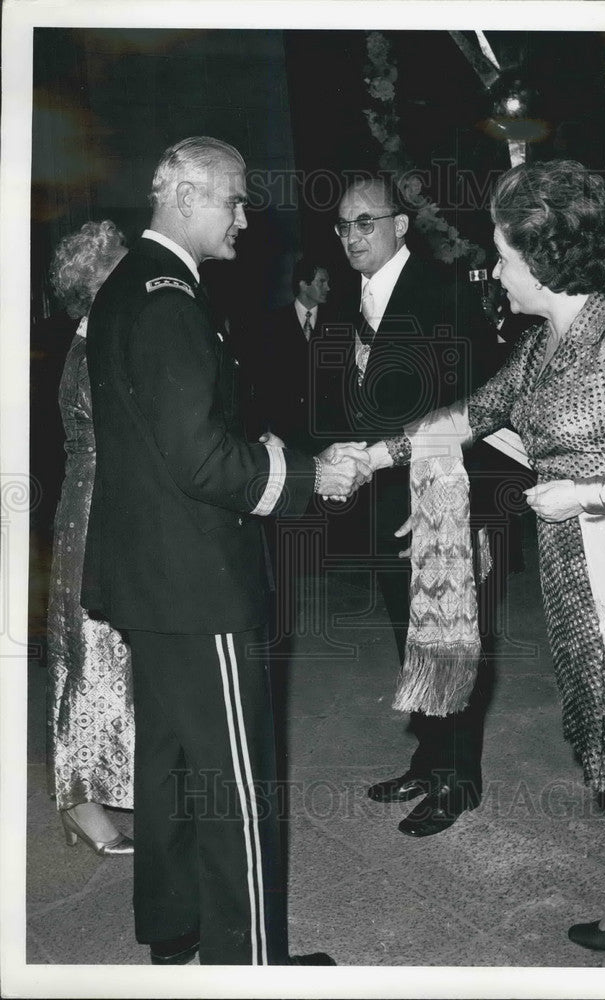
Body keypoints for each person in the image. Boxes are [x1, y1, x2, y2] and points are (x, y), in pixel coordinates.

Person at [366, 159, 605, 967]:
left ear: (545, 258)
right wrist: (372, 458)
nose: (495, 269)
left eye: (503, 253)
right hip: (580, 574)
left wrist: (585, 494)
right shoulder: (546, 344)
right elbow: (474, 413)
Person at [81, 136, 370, 966]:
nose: (246, 218)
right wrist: (311, 478)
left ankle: (178, 938)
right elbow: (200, 459)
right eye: (234, 200)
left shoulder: (134, 286)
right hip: (200, 583)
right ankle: (251, 965)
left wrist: (278, 451)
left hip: (156, 579)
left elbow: (178, 436)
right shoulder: (171, 299)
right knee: (236, 783)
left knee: (172, 771)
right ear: (183, 195)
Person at [318, 176, 499, 838]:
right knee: (410, 635)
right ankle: (431, 757)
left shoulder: (445, 292)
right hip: (378, 499)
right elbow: (338, 397)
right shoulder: (345, 301)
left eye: (365, 222)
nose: (352, 237)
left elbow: (479, 405)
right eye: (343, 226)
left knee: (451, 636)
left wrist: (450, 505)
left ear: (401, 226)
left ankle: (461, 777)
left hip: (440, 499)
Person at [46, 220, 134, 857]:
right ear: (94, 285)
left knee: (104, 658)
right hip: (91, 515)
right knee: (89, 661)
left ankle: (92, 792)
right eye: (119, 271)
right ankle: (78, 801)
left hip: (96, 510)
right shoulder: (93, 351)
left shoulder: (97, 341)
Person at [248, 257, 332, 452]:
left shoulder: (336, 321)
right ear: (303, 284)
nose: (328, 287)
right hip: (287, 430)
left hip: (326, 430)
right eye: (322, 282)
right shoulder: (273, 323)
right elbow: (264, 378)